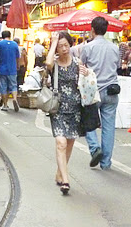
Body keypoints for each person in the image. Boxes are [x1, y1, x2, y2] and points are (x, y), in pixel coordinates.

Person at [45, 31, 86, 195]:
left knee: (69, 143)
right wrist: (54, 42)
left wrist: (86, 73)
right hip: (58, 108)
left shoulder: (77, 62)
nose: (64, 49)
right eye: (60, 46)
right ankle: (66, 180)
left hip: (75, 108)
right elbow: (48, 62)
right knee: (61, 143)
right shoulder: (54, 64)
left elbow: (85, 80)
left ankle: (59, 173)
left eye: (66, 45)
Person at [82, 16, 121, 170]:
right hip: (111, 90)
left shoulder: (88, 47)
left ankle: (94, 148)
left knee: (87, 120)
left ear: (92, 30)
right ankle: (105, 163)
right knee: (109, 127)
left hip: (93, 91)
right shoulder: (115, 48)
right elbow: (118, 66)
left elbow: (82, 66)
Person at [0, 30, 20, 112]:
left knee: (3, 87)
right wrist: (18, 66)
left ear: (2, 36)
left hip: (3, 69)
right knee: (14, 86)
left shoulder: (0, 43)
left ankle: (5, 105)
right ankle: (14, 99)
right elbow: (17, 57)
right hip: (12, 69)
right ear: (10, 36)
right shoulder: (15, 44)